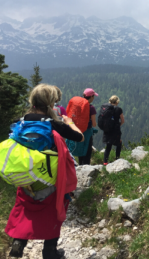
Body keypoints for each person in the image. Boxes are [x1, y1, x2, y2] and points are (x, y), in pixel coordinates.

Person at [6, 84, 84, 259]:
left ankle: (18, 242)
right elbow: (80, 137)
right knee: (53, 212)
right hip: (49, 177)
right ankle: (49, 251)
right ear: (50, 103)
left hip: (26, 176)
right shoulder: (53, 124)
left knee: (25, 207)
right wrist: (70, 123)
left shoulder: (22, 121)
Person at [78, 88, 98, 165]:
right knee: (87, 149)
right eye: (93, 96)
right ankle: (86, 167)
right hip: (87, 131)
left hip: (79, 130)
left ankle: (80, 165)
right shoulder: (91, 107)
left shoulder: (79, 105)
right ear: (91, 97)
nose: (94, 98)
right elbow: (94, 124)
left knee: (81, 149)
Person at [103, 95, 125, 165]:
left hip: (107, 129)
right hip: (116, 129)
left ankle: (105, 161)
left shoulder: (106, 108)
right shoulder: (118, 109)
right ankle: (117, 159)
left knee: (108, 145)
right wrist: (118, 125)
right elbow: (122, 120)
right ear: (116, 102)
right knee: (118, 143)